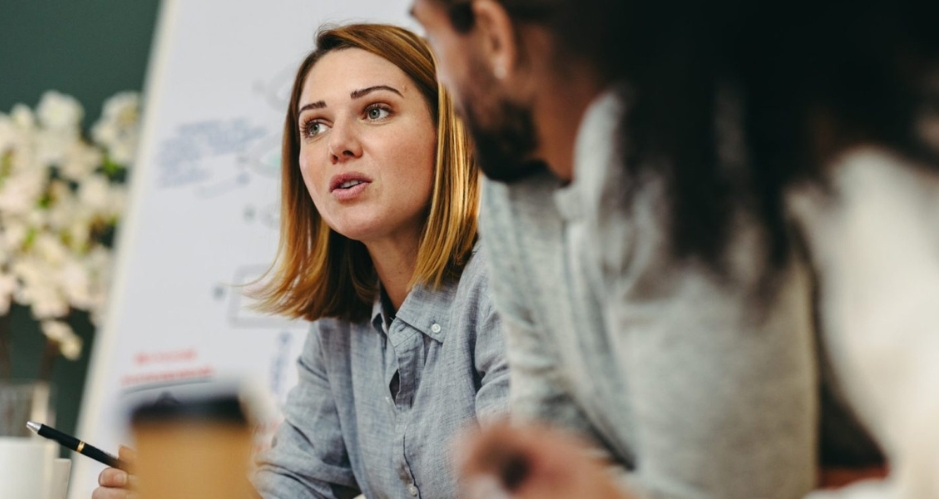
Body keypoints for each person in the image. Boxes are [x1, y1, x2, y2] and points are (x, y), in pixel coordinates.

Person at [410, 0, 890, 498]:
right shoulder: (513, 195)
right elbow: (555, 462)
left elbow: (738, 490)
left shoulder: (677, 160)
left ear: (494, 36)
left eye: (433, 39)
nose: (442, 80)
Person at [92, 23, 509, 499]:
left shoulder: (508, 287)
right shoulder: (341, 325)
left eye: (375, 111)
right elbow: (295, 483)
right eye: (315, 126)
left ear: (449, 131)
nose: (339, 144)